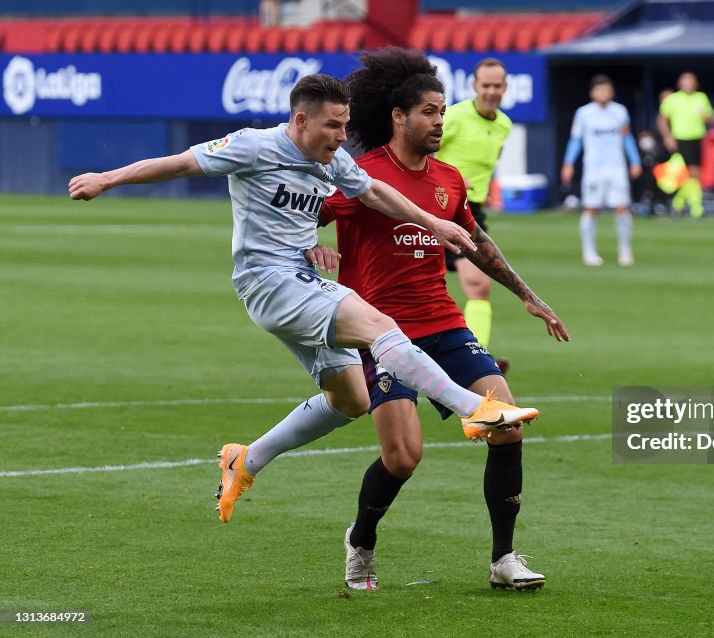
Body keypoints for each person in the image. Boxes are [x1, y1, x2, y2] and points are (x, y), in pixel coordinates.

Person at [66, 73, 540, 525]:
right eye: (332, 124)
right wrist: (106, 179)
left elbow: (376, 192)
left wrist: (431, 223)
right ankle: (474, 410)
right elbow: (178, 164)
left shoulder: (332, 161)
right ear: (300, 120)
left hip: (299, 281)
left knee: (351, 399)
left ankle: (246, 458)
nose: (341, 134)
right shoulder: (254, 146)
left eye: (345, 124)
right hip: (268, 281)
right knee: (382, 328)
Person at [313, 48, 568, 591]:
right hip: (382, 331)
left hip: (443, 321)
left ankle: (504, 558)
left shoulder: (448, 179)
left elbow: (476, 242)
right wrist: (312, 249)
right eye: (429, 111)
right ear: (398, 116)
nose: (440, 121)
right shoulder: (361, 177)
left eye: (443, 110)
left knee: (505, 422)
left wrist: (528, 295)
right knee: (403, 458)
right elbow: (302, 214)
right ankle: (360, 540)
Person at [434, 58, 511, 371]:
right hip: (434, 208)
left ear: (505, 88)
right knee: (418, 286)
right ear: (474, 86)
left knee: (479, 286)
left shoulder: (504, 125)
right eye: (486, 85)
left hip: (471, 213)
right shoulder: (453, 117)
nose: (491, 91)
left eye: (497, 86)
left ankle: (475, 359)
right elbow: (421, 152)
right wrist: (449, 179)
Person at [560, 74, 642, 267]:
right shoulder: (584, 113)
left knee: (621, 207)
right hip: (594, 168)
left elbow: (627, 138)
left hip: (617, 167)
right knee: (591, 208)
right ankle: (589, 251)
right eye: (600, 90)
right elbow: (576, 140)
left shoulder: (620, 112)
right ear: (592, 93)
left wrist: (635, 160)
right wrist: (568, 163)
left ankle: (625, 249)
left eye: (607, 89)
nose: (604, 93)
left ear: (612, 92)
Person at [657, 72, 713, 217]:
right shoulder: (673, 99)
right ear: (680, 84)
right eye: (686, 81)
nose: (689, 84)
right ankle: (696, 206)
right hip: (681, 138)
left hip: (698, 138)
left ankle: (678, 203)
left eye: (691, 81)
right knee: (690, 173)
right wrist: (668, 137)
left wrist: (704, 115)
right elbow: (662, 119)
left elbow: (709, 117)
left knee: (695, 173)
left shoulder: (701, 97)